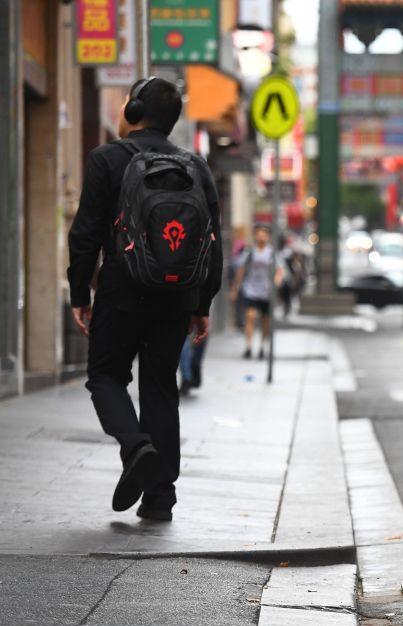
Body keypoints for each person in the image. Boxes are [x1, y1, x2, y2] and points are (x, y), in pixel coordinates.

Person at [67, 77, 223, 521]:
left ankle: (136, 447)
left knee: (104, 376)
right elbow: (213, 241)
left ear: (134, 111)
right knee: (160, 387)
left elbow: (86, 235)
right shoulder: (195, 166)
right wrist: (201, 304)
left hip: (120, 291)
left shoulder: (106, 159)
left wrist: (81, 292)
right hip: (175, 297)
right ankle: (160, 498)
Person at [232, 224, 283, 359]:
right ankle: (248, 346)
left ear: (268, 237)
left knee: (265, 320)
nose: (261, 237)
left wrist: (276, 282)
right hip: (250, 289)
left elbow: (280, 270)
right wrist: (236, 288)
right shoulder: (249, 252)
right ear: (255, 236)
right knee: (250, 316)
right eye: (259, 234)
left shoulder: (272, 253)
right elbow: (241, 270)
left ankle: (262, 345)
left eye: (264, 234)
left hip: (266, 291)